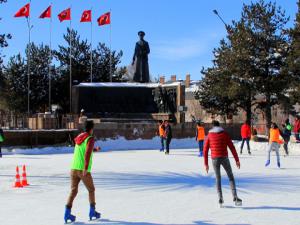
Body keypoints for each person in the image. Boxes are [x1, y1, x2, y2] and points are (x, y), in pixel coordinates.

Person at [65, 120, 101, 223]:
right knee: (91, 190)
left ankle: (67, 214)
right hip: (82, 170)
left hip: (73, 169)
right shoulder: (90, 138)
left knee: (73, 191)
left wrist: (95, 149)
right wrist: (85, 167)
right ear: (91, 129)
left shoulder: (80, 137)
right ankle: (92, 212)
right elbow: (87, 153)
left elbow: (86, 149)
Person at [203, 120, 242, 207]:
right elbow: (232, 147)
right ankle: (235, 196)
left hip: (214, 159)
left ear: (212, 127)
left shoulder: (209, 135)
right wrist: (237, 160)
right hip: (224, 158)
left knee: (218, 178)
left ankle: (220, 198)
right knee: (230, 177)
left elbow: (205, 150)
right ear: (219, 126)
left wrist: (206, 164)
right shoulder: (224, 134)